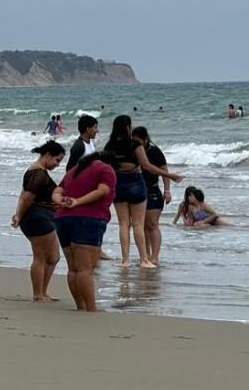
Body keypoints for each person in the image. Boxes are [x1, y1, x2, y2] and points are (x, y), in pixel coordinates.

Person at [104, 114, 181, 268]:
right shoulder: (135, 144)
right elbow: (146, 165)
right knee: (138, 224)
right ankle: (144, 260)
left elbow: (107, 167)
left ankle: (125, 260)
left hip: (118, 184)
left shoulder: (110, 145)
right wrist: (169, 175)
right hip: (135, 184)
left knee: (123, 224)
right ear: (127, 127)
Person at [53, 151, 119, 312]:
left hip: (63, 219)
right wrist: (78, 202)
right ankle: (91, 308)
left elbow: (56, 192)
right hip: (88, 219)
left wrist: (62, 201)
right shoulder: (106, 169)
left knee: (73, 268)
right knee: (85, 269)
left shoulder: (74, 170)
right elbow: (103, 190)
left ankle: (80, 305)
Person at [11, 140, 65, 302]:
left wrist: (18, 214)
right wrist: (18, 215)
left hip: (42, 216)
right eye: (57, 160)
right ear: (47, 155)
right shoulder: (38, 174)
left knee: (54, 257)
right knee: (40, 257)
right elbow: (27, 198)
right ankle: (38, 294)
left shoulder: (34, 171)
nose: (57, 165)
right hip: (37, 218)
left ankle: (43, 291)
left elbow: (23, 194)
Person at [132, 126, 171, 265]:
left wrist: (167, 191)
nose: (135, 144)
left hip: (153, 190)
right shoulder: (132, 149)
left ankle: (155, 256)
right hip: (137, 190)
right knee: (141, 226)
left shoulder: (154, 151)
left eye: (138, 141)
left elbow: (164, 171)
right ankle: (145, 255)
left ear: (145, 139)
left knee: (152, 224)